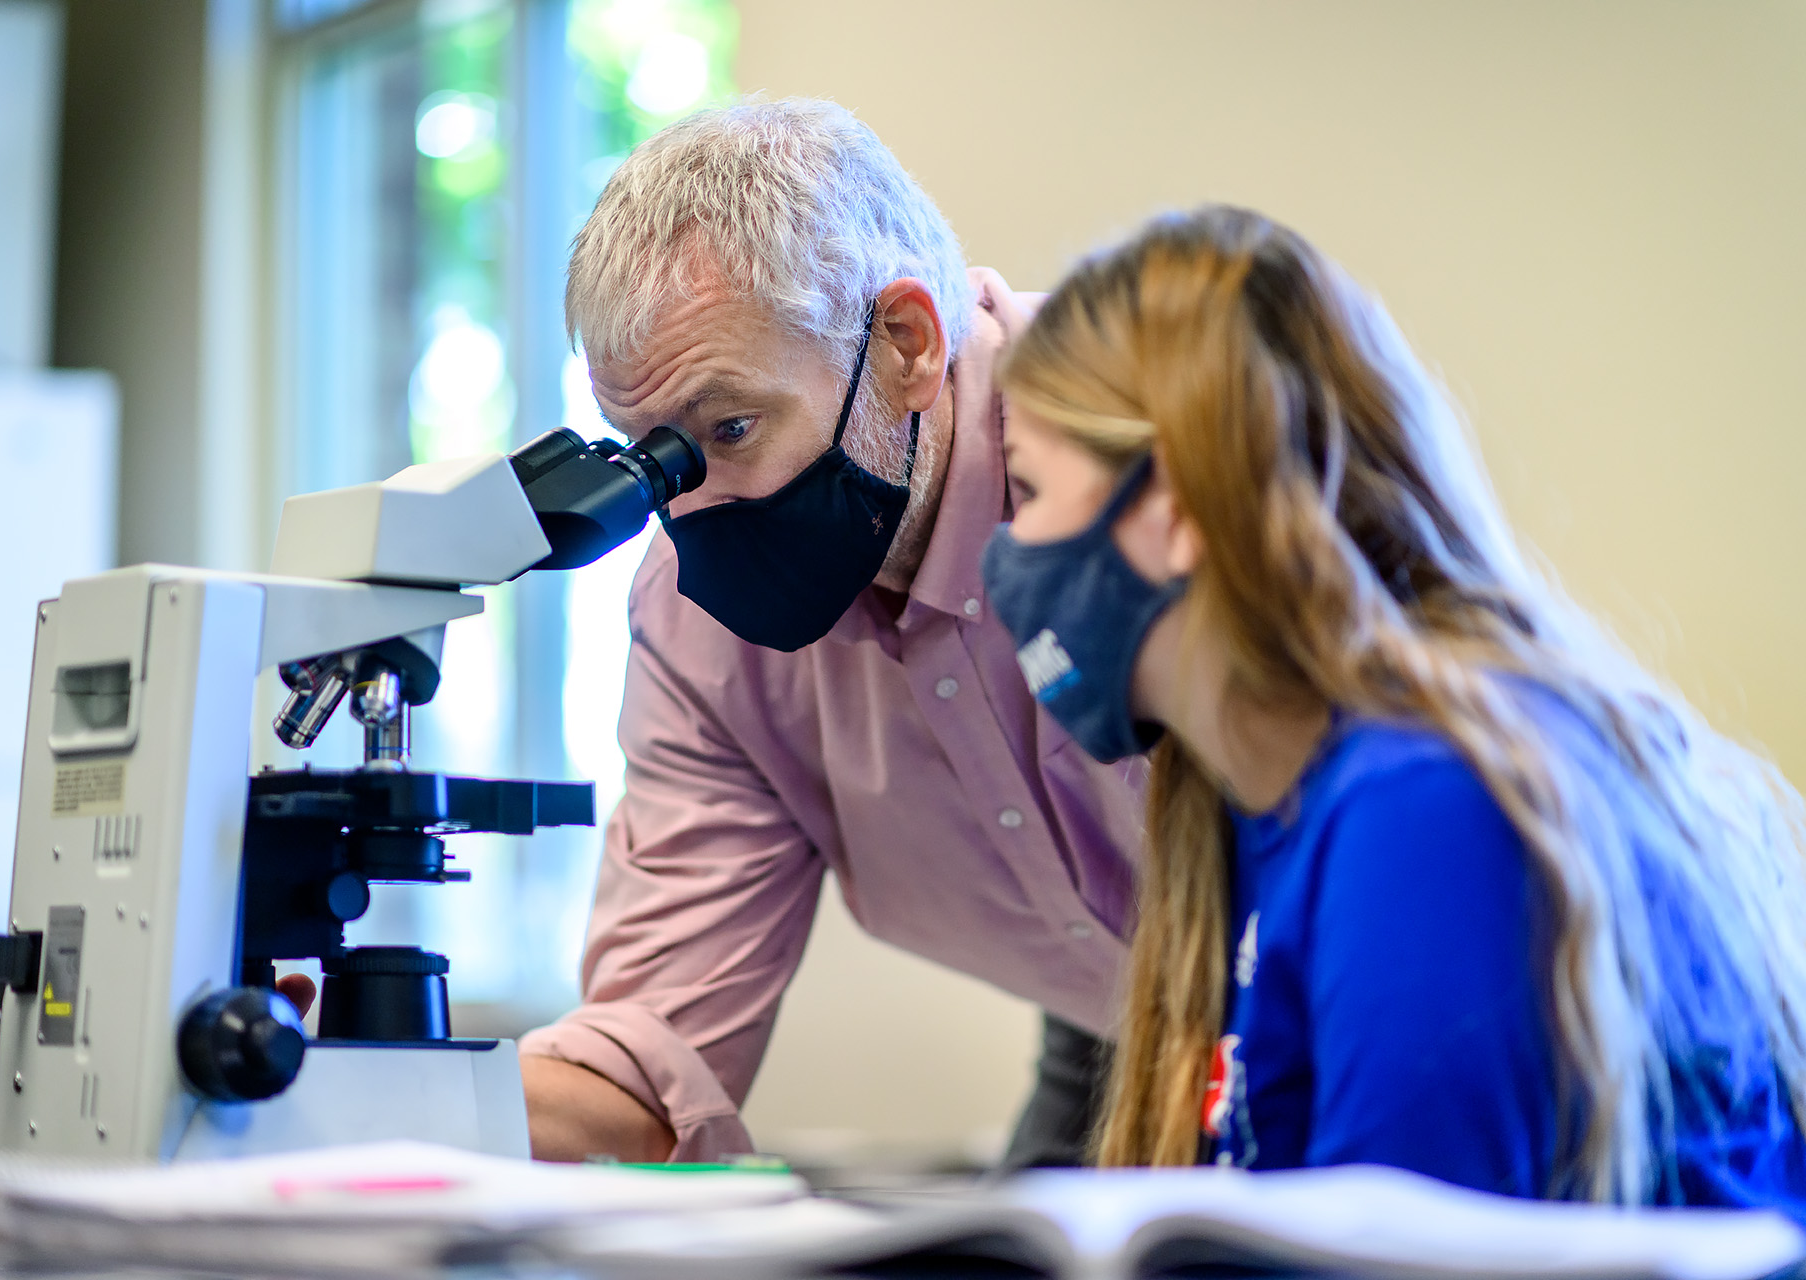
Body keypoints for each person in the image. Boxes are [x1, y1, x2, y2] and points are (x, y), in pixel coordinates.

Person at [978, 204, 1806, 1208]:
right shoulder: (1254, 809)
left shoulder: (1425, 806)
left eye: (1027, 488)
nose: (1006, 549)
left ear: (1179, 507)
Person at [512, 99, 1142, 1164]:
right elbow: (657, 1055)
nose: (693, 507)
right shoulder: (697, 630)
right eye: (655, 455)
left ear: (906, 344)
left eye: (732, 429)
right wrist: (351, 1091)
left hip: (1379, 963)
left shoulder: (1141, 451)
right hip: (1111, 1023)